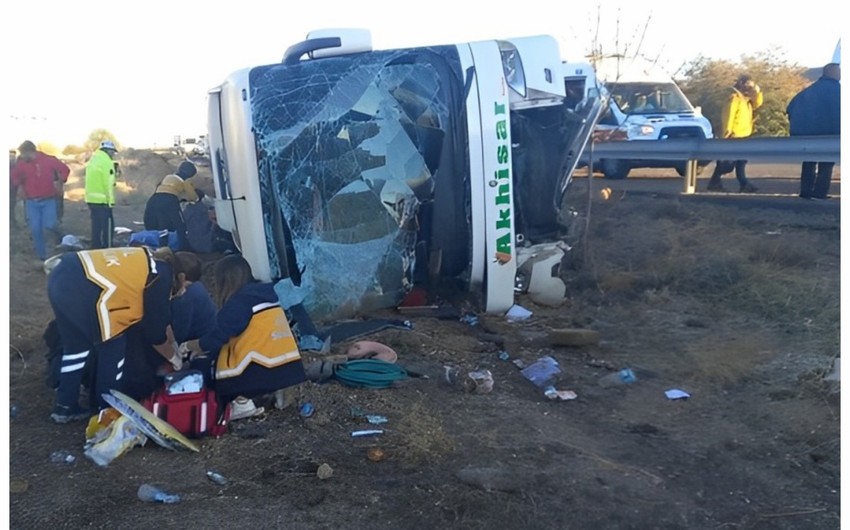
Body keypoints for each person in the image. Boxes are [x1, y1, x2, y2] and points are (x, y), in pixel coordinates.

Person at [47, 247, 188, 423]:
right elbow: (154, 331)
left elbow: (160, 320)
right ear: (182, 277)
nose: (184, 292)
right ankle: (106, 409)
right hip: (84, 288)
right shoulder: (162, 277)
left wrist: (172, 343)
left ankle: (64, 406)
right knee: (113, 346)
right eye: (186, 286)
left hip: (62, 274)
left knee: (76, 348)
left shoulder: (149, 260)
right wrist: (174, 357)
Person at [182, 255, 306, 407]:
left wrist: (188, 347)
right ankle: (272, 393)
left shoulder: (239, 303)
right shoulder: (267, 294)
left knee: (201, 365)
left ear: (224, 280)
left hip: (261, 370)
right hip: (289, 367)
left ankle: (241, 402)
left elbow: (216, 338)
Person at [120, 251, 217, 400]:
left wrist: (172, 356)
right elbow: (164, 325)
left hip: (198, 347)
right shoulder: (186, 288)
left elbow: (176, 331)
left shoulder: (185, 296)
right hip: (197, 340)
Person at [786, 63, 841, 200]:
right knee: (827, 163)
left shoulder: (809, 90)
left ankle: (806, 191)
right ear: (832, 73)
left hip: (806, 136)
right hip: (829, 134)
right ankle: (820, 192)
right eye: (839, 71)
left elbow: (790, 108)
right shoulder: (837, 91)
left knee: (809, 161)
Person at [10, 141, 70, 260]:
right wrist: (20, 186)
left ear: (29, 152)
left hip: (48, 200)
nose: (21, 156)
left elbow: (65, 169)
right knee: (35, 228)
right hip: (31, 202)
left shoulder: (49, 160)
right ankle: (42, 256)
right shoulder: (22, 164)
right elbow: (14, 176)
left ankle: (60, 237)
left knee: (50, 224)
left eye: (23, 153)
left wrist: (60, 181)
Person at [706, 74, 763, 193]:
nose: (749, 89)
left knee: (740, 161)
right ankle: (716, 182)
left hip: (744, 134)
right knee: (728, 163)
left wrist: (757, 92)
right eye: (748, 85)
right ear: (742, 85)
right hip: (734, 135)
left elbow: (758, 103)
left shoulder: (747, 100)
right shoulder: (734, 98)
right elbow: (728, 116)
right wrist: (727, 133)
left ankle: (743, 183)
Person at [143, 161, 199, 249]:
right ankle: (184, 247)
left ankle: (160, 247)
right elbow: (193, 197)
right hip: (169, 201)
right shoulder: (186, 181)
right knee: (179, 225)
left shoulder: (168, 177)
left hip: (154, 199)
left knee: (161, 225)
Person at [85, 140, 119, 248]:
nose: (113, 154)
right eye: (113, 152)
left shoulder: (93, 160)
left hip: (91, 200)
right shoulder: (107, 162)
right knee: (108, 227)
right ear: (109, 151)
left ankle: (95, 248)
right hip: (103, 201)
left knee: (96, 226)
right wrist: (111, 202)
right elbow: (108, 184)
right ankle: (107, 248)